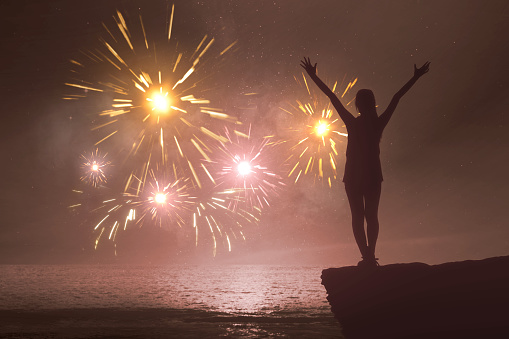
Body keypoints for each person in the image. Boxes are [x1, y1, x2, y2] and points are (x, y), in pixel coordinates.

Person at [301, 57, 430, 267]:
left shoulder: (352, 123)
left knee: (357, 217)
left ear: (358, 105)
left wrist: (314, 77)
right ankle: (370, 254)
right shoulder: (378, 123)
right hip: (372, 174)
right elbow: (397, 97)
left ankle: (366, 257)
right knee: (371, 215)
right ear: (372, 104)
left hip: (353, 175)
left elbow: (332, 97)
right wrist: (414, 78)